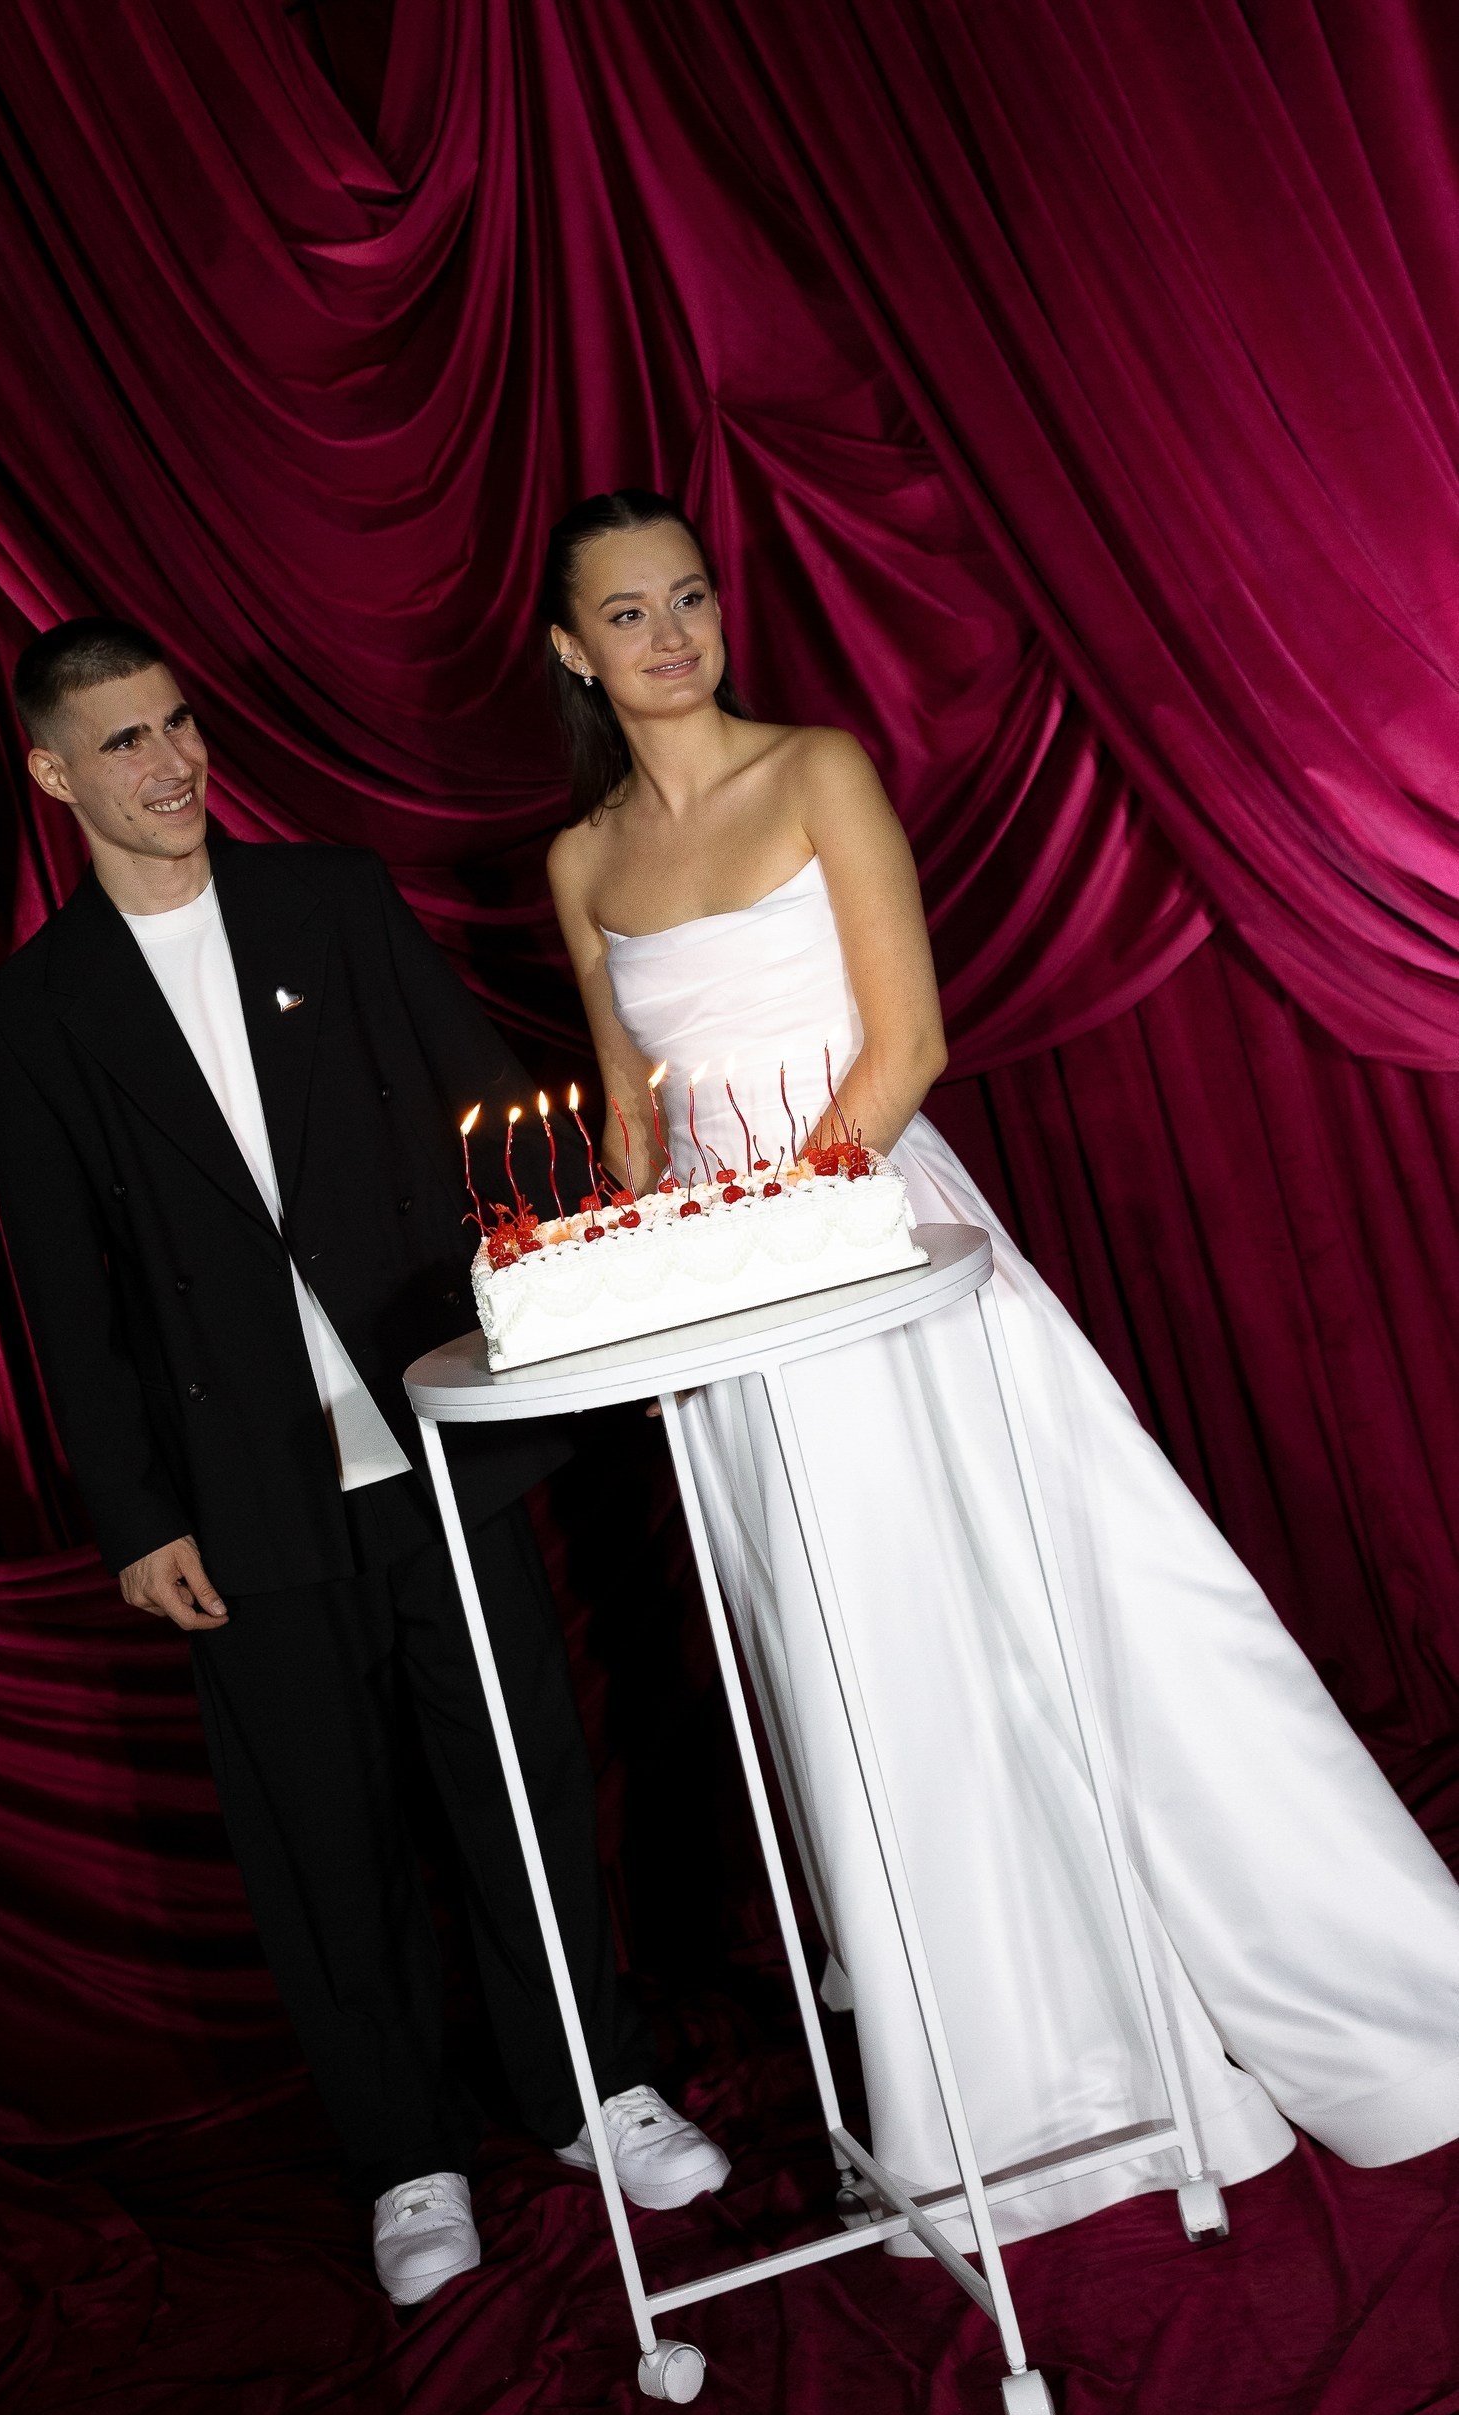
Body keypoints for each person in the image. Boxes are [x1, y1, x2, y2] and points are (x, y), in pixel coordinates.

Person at [542, 489, 1459, 2248]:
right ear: (574, 652)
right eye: (630, 614)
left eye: (691, 597)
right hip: (726, 1315)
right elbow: (633, 1119)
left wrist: (783, 1234)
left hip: (877, 1239)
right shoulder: (581, 863)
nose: (672, 636)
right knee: (855, 1659)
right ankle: (1010, 2077)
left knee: (1070, 1598)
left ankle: (1324, 1973)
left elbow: (908, 1043)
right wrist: (635, 1265)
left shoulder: (816, 770)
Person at [0, 615, 728, 2307]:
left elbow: (485, 1104)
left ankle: (594, 2087)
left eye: (179, 723)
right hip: (242, 1489)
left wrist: (591, 1307)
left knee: (521, 1777)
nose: (173, 764)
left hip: (439, 1426)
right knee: (323, 1834)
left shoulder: (331, 899)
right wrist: (135, 1514)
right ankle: (405, 2159)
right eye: (124, 742)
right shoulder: (34, 1012)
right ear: (51, 776)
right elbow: (66, 1290)